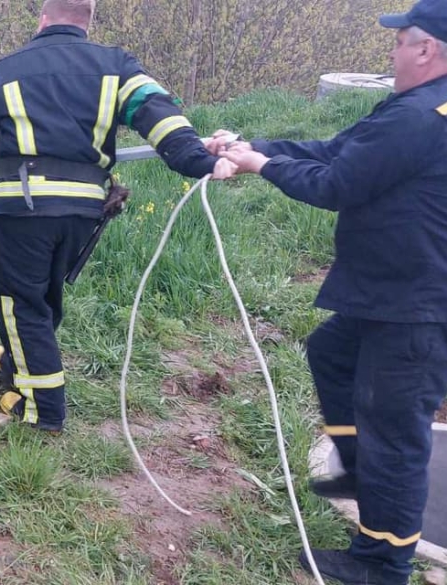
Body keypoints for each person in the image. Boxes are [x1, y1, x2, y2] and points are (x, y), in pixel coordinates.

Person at [211, 0, 447, 581]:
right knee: (332, 355)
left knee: (395, 430)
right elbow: (338, 152)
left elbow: (336, 183)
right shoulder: (416, 109)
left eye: (399, 41)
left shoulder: (420, 117)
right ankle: (358, 470)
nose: (391, 51)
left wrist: (260, 166)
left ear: (427, 49)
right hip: (395, 291)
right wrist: (251, 147)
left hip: (415, 305)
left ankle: (382, 561)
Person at [0, 0, 235, 434]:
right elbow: (158, 114)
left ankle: (42, 411)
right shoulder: (117, 66)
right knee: (47, 292)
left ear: (43, 20)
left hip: (23, 208)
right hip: (85, 208)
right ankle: (19, 361)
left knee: (21, 303)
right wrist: (197, 159)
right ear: (88, 21)